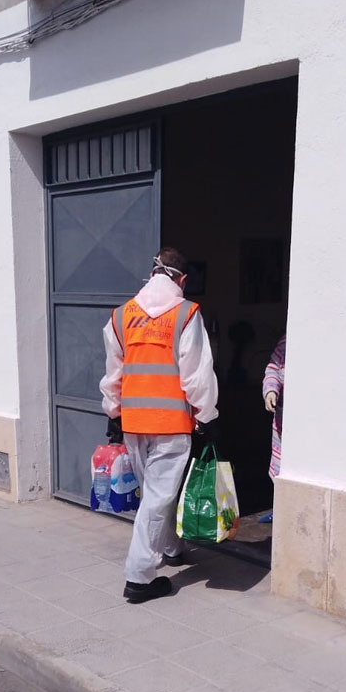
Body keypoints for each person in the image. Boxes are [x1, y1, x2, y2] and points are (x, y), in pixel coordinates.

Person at [99, 247, 219, 603]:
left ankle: (170, 548)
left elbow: (113, 373)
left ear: (151, 274)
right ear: (182, 280)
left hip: (134, 422)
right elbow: (197, 372)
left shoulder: (121, 316)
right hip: (169, 423)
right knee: (157, 498)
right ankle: (138, 577)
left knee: (156, 493)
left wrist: (113, 412)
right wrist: (207, 415)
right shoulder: (186, 314)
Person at [260, 335, 286, 520]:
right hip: (282, 418)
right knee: (278, 466)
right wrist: (270, 390)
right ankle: (281, 509)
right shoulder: (286, 341)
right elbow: (273, 367)